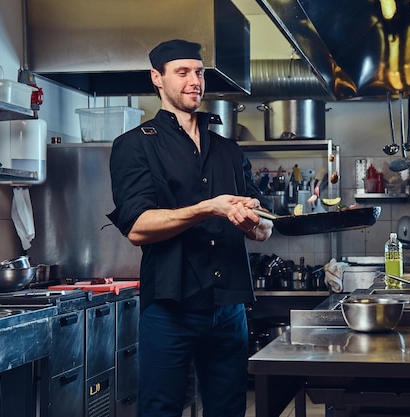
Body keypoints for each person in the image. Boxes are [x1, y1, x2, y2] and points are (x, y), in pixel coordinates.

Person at [107, 39, 273, 417]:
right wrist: (206, 209)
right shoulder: (134, 146)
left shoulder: (229, 151)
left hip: (228, 305)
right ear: (157, 79)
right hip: (170, 305)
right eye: (182, 72)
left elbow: (265, 228)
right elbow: (136, 227)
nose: (194, 81)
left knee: (228, 409)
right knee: (161, 409)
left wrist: (254, 223)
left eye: (198, 72)